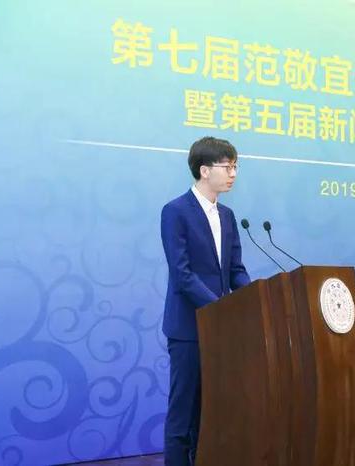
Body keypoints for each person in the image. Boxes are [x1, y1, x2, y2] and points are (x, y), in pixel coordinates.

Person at [160, 136, 251, 465]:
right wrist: (219, 309)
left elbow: (235, 270)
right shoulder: (175, 212)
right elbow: (182, 274)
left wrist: (256, 298)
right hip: (188, 329)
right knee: (182, 414)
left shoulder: (227, 215)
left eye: (236, 166)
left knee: (209, 414)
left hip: (218, 330)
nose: (233, 173)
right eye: (228, 166)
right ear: (204, 170)